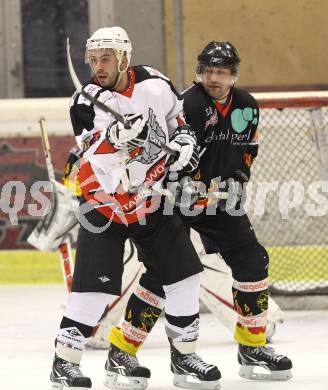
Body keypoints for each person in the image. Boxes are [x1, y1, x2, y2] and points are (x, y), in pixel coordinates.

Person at [107, 41, 293, 383]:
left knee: (252, 260)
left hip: (218, 201)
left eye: (221, 72)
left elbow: (248, 151)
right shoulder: (187, 104)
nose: (214, 78)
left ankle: (252, 345)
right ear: (200, 73)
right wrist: (181, 175)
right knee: (166, 275)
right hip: (171, 200)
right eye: (208, 71)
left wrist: (236, 179)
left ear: (233, 76)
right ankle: (122, 352)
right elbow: (160, 155)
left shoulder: (248, 107)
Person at [49, 27, 221, 390]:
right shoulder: (84, 100)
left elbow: (178, 121)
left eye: (106, 58)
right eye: (93, 59)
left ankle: (184, 357)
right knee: (94, 290)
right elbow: (92, 149)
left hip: (150, 198)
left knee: (184, 275)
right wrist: (113, 138)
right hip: (105, 201)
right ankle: (64, 363)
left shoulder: (156, 82)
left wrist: (185, 140)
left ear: (124, 57)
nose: (98, 65)